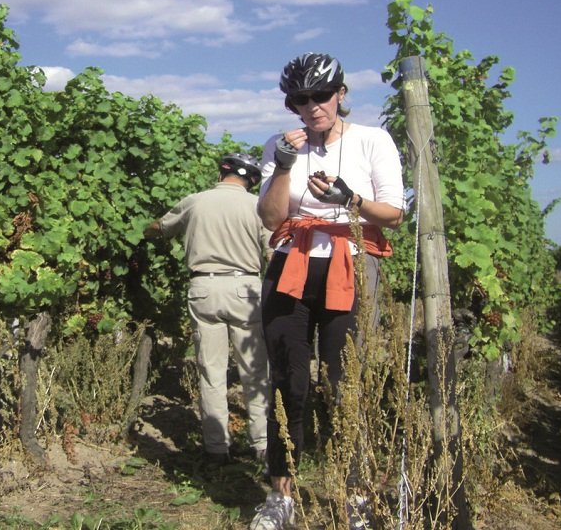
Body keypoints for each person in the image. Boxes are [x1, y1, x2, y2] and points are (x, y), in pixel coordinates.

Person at [249, 53, 404, 530]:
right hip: (291, 264)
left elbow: (394, 212)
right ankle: (282, 497)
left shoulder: (372, 140)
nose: (312, 106)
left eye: (320, 95)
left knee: (347, 381)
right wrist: (283, 167)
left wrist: (349, 199)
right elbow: (272, 218)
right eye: (300, 99)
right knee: (288, 380)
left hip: (351, 264)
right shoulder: (281, 143)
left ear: (341, 94)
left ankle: (355, 495)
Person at [145, 153, 272, 465]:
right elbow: (272, 251)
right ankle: (263, 446)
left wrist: (146, 231)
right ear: (252, 180)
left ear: (222, 172)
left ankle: (217, 448)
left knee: (211, 370)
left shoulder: (195, 201)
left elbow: (160, 228)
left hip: (204, 287)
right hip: (245, 288)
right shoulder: (258, 206)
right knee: (255, 372)